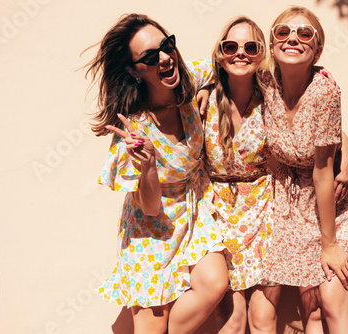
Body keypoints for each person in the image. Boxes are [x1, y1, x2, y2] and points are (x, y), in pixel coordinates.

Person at [85, 14, 229, 334]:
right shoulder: (134, 129)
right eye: (151, 57)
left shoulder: (188, 79)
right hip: (150, 230)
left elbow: (230, 65)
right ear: (136, 71)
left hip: (195, 212)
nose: (165, 58)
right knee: (153, 326)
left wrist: (207, 89)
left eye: (167, 45)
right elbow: (150, 207)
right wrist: (148, 165)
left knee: (216, 282)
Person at [260, 6, 348, 334]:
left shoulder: (325, 91)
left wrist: (330, 244)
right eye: (283, 32)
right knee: (311, 304)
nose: (292, 38)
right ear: (271, 44)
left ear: (318, 49)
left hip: (337, 201)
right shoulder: (264, 83)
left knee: (332, 297)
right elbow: (216, 68)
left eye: (304, 33)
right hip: (296, 203)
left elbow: (323, 171)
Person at [202, 16, 278, 333]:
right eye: (230, 46)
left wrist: (347, 152)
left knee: (262, 317)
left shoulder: (275, 97)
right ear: (220, 53)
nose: (240, 53)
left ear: (261, 54)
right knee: (231, 319)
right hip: (218, 214)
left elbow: (319, 122)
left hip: (267, 212)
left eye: (250, 46)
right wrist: (205, 83)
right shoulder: (201, 100)